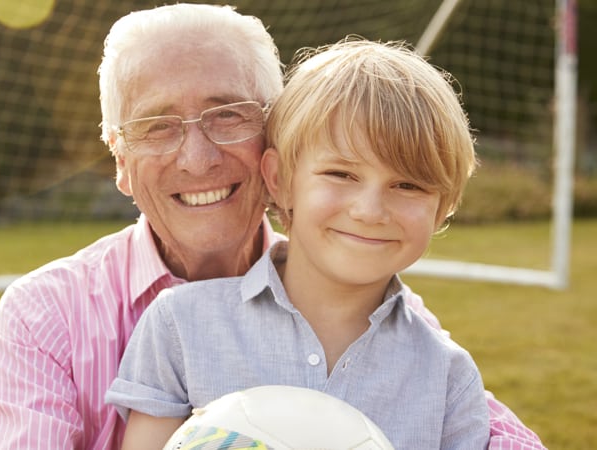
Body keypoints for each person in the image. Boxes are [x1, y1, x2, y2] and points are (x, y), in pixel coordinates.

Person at [0, 4, 546, 450]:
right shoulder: (47, 318)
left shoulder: (407, 331)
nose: (197, 159)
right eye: (155, 126)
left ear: (273, 141)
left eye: (227, 114)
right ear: (119, 160)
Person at [105, 38, 490, 449]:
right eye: (341, 174)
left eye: (408, 185)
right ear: (280, 181)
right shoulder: (180, 326)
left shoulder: (448, 377)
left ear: (444, 206)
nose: (370, 210)